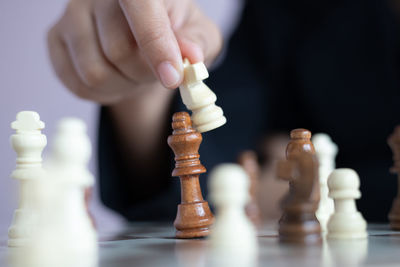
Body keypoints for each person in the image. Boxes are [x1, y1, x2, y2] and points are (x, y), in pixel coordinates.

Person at [48, 0, 400, 222]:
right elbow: (217, 171)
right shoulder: (287, 10)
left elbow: (271, 190)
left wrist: (298, 192)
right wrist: (140, 65)